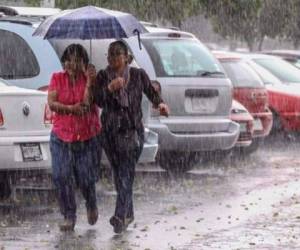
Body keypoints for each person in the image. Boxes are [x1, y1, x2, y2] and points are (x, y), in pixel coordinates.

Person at [84, 40, 169, 234]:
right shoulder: (104, 76)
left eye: (116, 54)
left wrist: (161, 105)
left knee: (125, 172)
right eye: (110, 55)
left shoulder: (138, 75)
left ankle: (119, 215)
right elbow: (98, 101)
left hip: (132, 132)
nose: (113, 58)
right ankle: (129, 214)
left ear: (126, 57)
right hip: (110, 134)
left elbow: (151, 93)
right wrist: (109, 88)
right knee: (120, 174)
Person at [48, 44, 101, 231]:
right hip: (61, 136)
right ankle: (69, 215)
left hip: (86, 136)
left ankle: (91, 202)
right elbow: (52, 104)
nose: (72, 63)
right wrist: (71, 109)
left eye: (78, 60)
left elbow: (86, 104)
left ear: (84, 63)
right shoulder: (57, 78)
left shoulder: (91, 80)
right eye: (69, 59)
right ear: (64, 61)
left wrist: (88, 83)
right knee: (61, 176)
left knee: (86, 177)